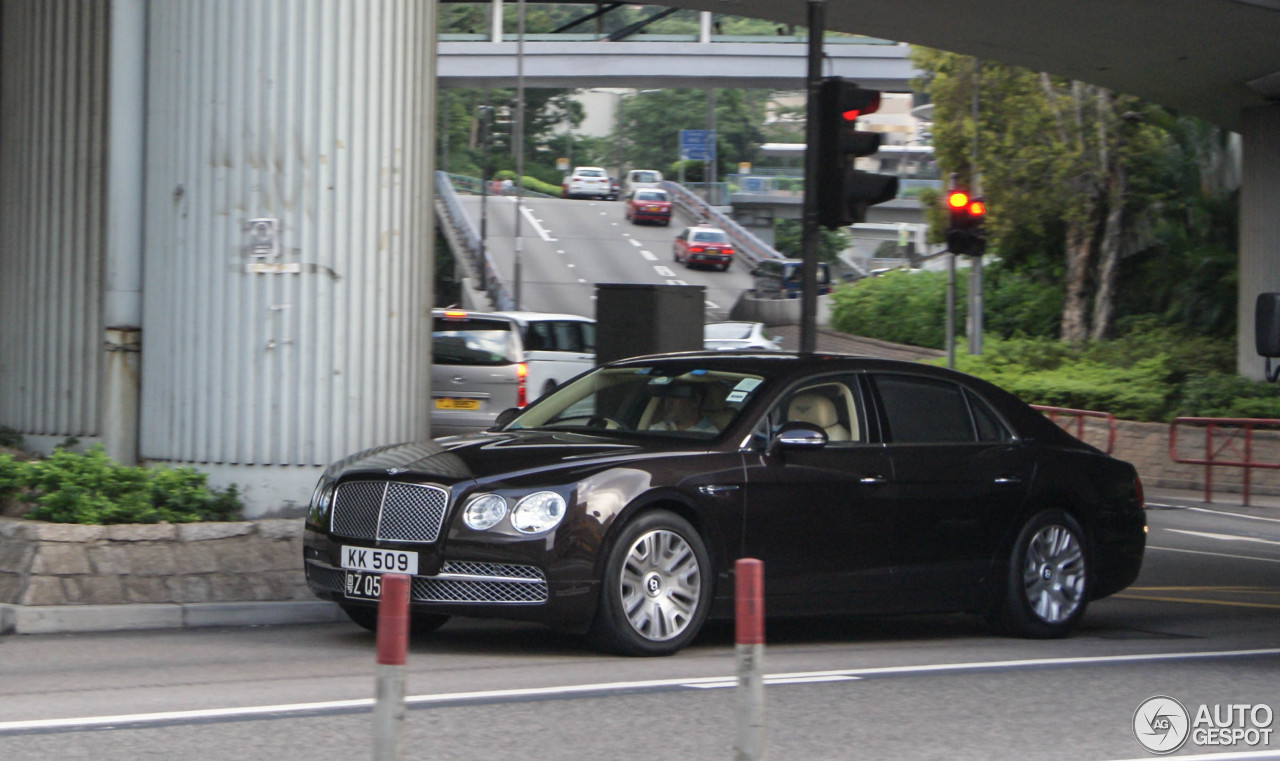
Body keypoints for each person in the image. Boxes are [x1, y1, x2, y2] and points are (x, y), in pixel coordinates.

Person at [649, 386, 718, 433]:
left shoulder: (710, 434)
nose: (668, 402)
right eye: (667, 397)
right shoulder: (657, 429)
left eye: (675, 396)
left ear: (695, 400)